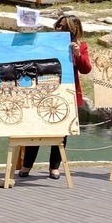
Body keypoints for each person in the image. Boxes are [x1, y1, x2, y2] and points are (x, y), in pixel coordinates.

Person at [18, 14, 92, 179]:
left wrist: (78, 55)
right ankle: (27, 165)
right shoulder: (46, 43)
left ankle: (54, 167)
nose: (59, 29)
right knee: (36, 130)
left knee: (61, 132)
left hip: (66, 93)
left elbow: (86, 69)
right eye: (58, 25)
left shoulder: (81, 46)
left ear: (73, 30)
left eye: (63, 27)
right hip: (44, 90)